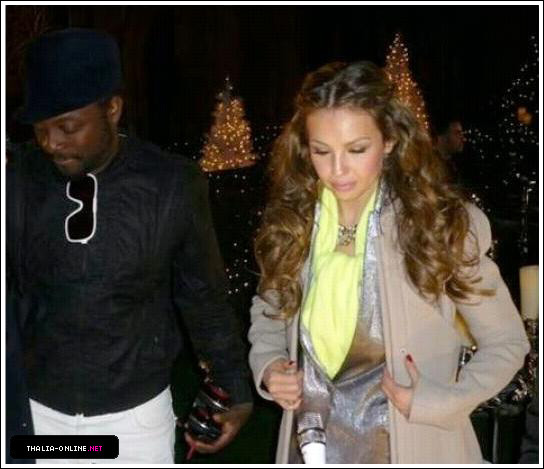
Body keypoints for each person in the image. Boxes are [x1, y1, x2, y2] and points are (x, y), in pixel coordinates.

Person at [247, 61, 529, 464]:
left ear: (391, 140)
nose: (337, 170)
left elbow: (507, 342)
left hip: (409, 448)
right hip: (309, 447)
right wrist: (271, 364)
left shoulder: (438, 227)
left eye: (357, 149)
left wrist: (441, 401)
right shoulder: (294, 224)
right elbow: (270, 310)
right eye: (321, 151)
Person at [6, 28, 252, 464]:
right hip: (39, 418)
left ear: (113, 110)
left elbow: (203, 295)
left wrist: (233, 386)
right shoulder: (18, 177)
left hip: (134, 426)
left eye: (67, 127)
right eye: (40, 129)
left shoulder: (170, 184)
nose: (51, 143)